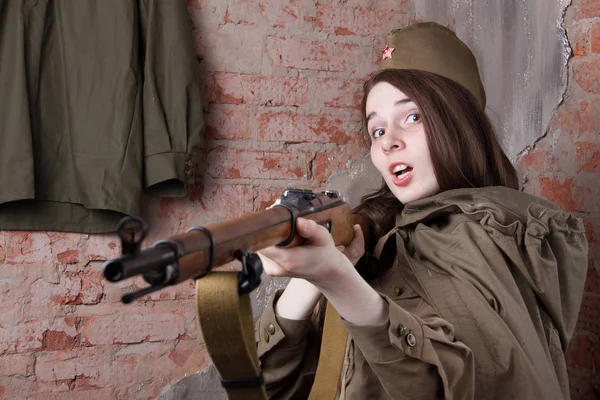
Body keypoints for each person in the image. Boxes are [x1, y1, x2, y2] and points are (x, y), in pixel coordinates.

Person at [254, 22, 588, 400]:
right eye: (376, 130)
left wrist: (337, 280)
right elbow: (269, 387)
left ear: (460, 124)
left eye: (412, 117)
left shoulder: (476, 238)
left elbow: (457, 387)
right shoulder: (383, 237)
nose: (388, 143)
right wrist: (309, 281)